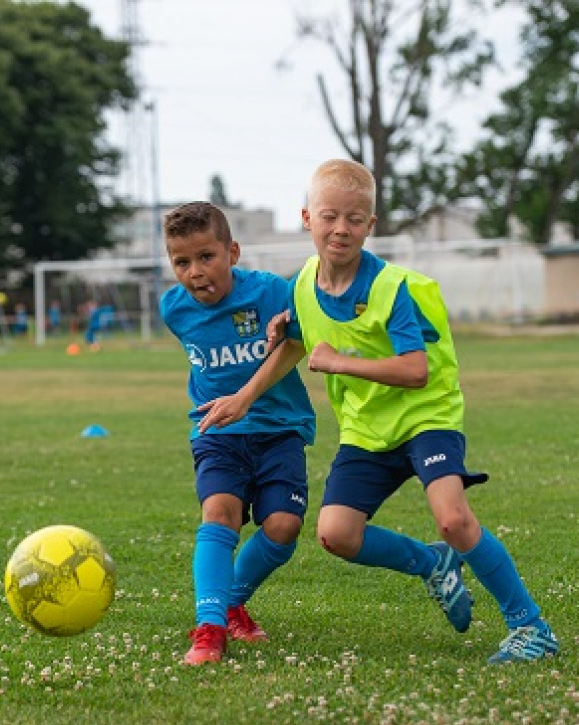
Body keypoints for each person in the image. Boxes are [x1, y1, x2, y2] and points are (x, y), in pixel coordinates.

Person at [198, 159, 559, 665]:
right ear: (308, 218)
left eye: (354, 218)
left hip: (424, 417)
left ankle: (531, 627)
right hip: (368, 429)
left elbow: (416, 370)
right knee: (336, 534)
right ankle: (432, 564)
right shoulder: (303, 282)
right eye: (329, 216)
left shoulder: (392, 289)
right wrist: (245, 396)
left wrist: (339, 361)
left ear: (372, 224)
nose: (340, 229)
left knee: (454, 519)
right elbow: (297, 342)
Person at [160, 201, 317, 665]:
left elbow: (301, 340)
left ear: (232, 251)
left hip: (279, 429)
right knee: (219, 511)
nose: (195, 272)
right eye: (181, 262)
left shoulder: (269, 292)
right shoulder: (174, 309)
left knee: (283, 528)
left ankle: (231, 601)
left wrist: (247, 394)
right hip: (216, 432)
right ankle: (209, 629)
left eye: (206, 257)